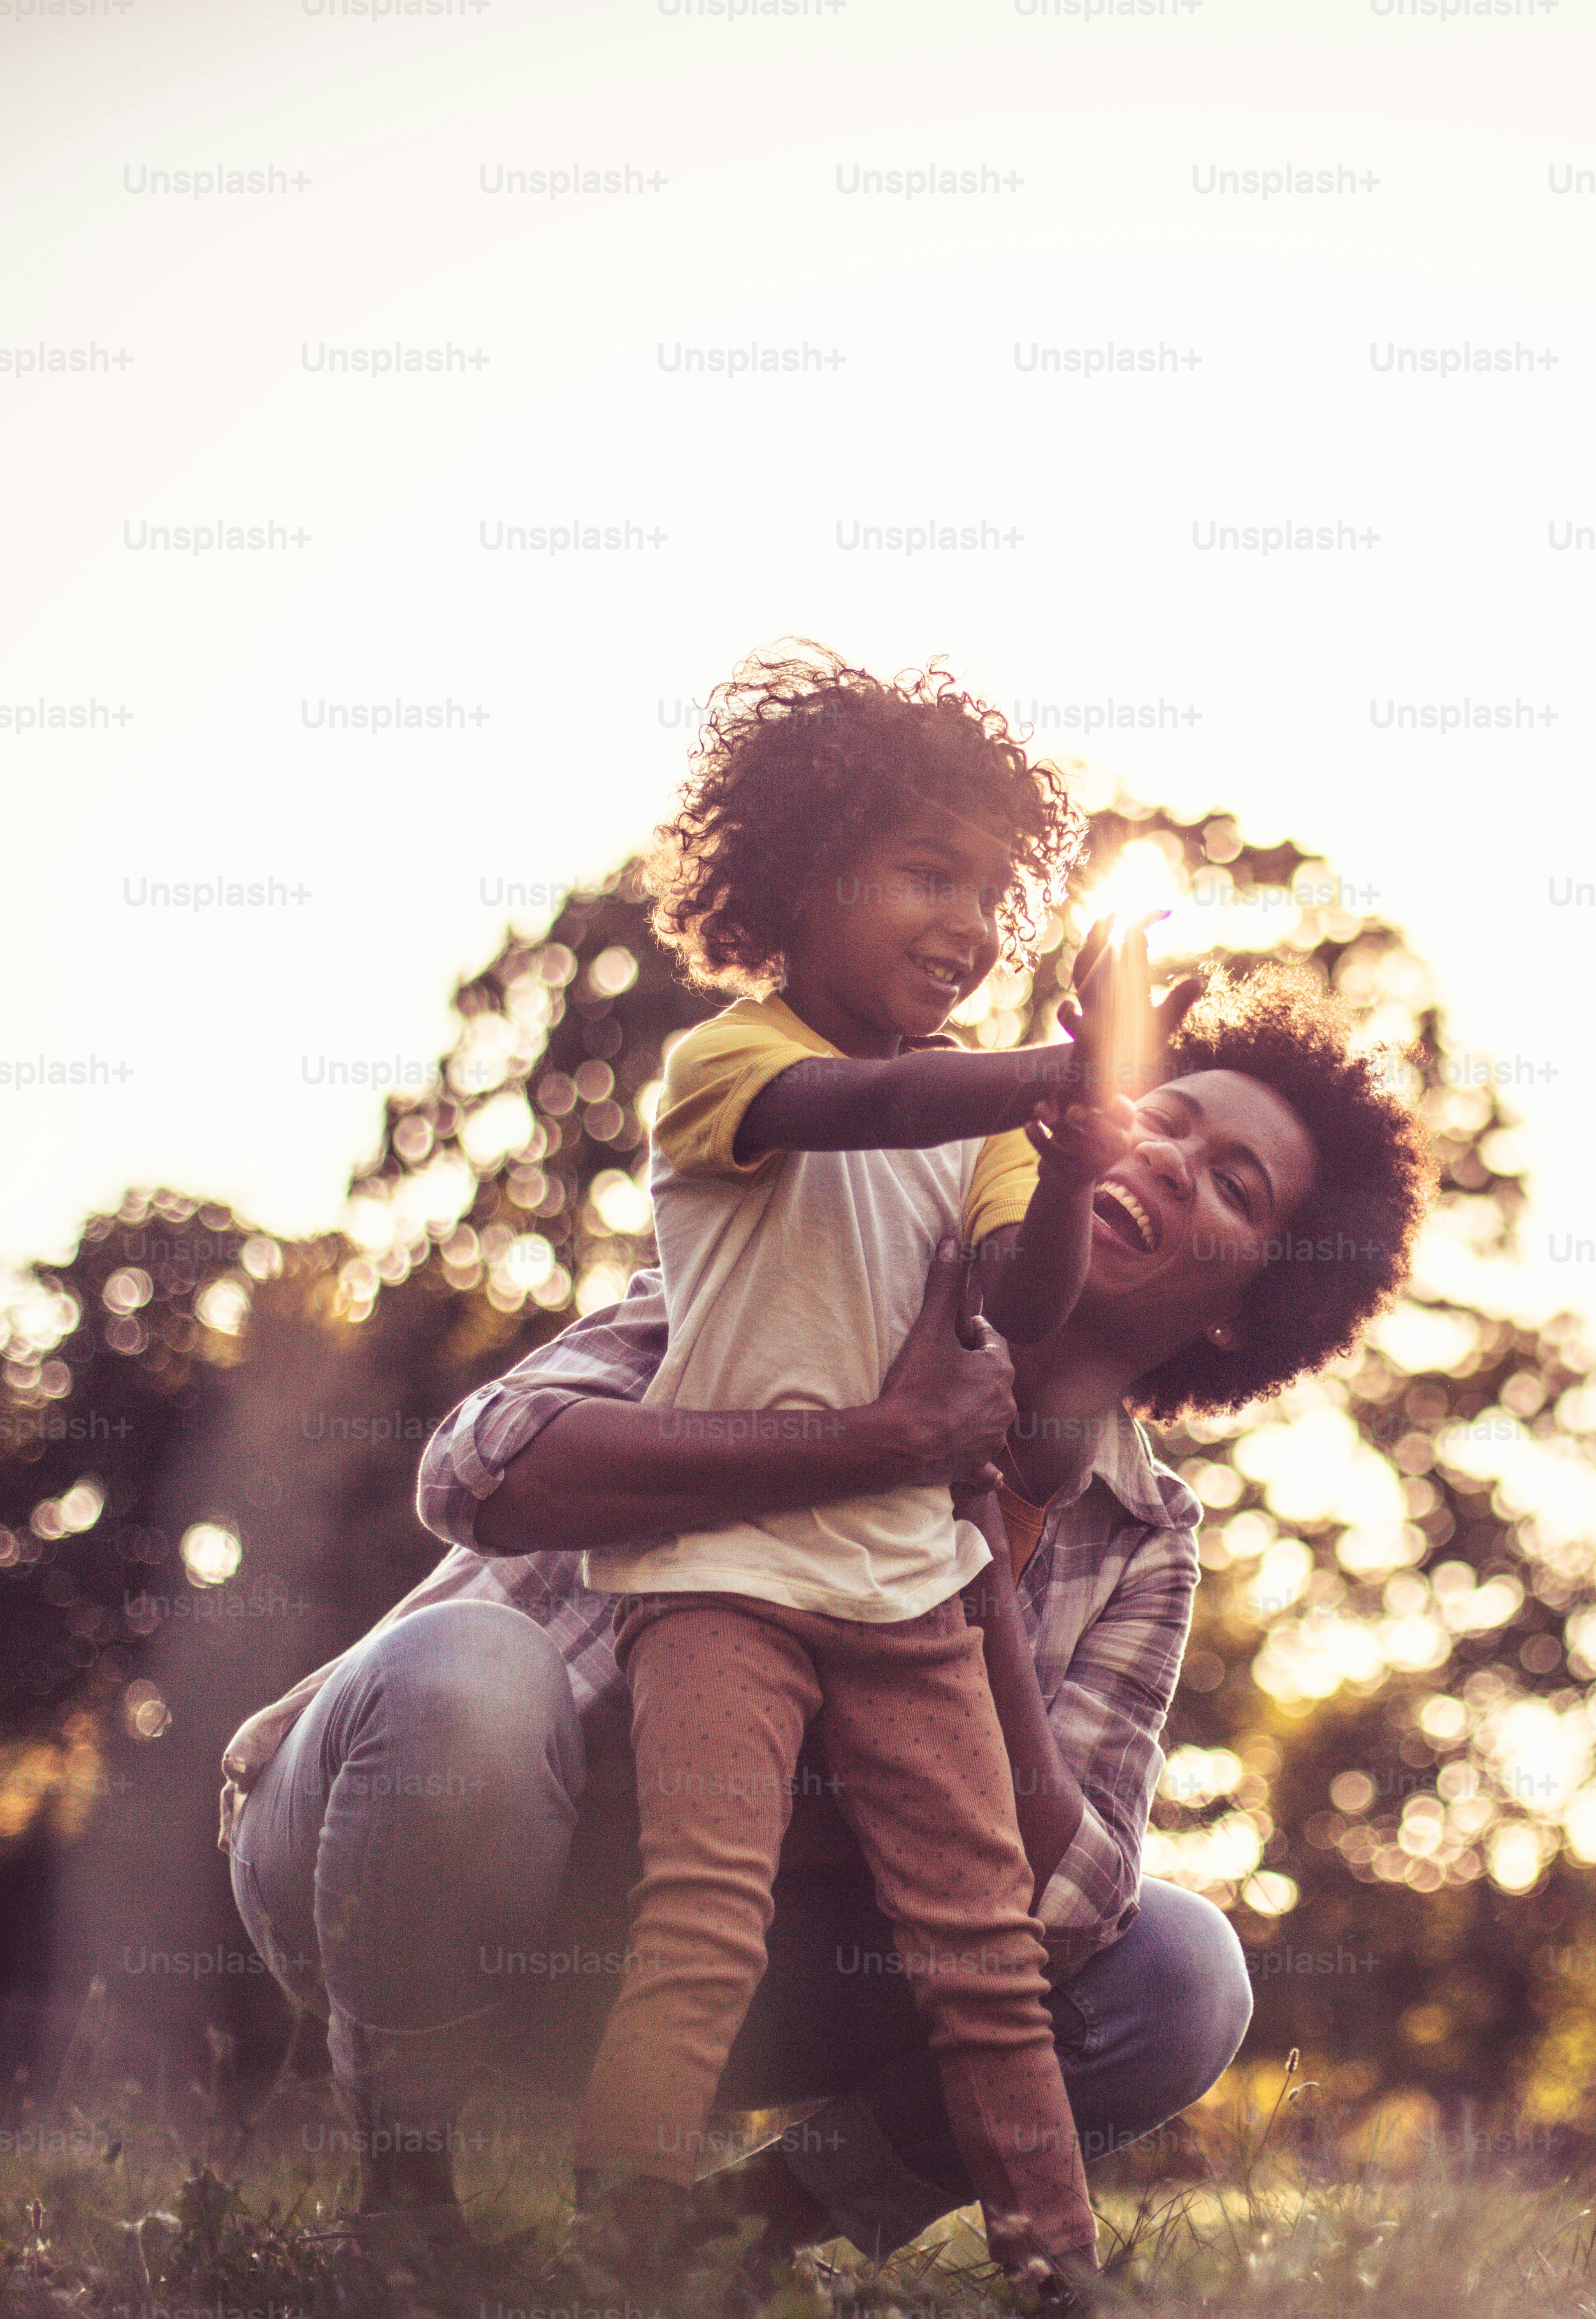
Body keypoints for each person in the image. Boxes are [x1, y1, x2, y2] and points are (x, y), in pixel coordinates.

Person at [219, 969, 1429, 2292]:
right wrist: (873, 1442)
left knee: (1183, 1974)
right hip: (408, 1856)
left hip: (713, 1960)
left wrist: (976, 1579)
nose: (1167, 1155)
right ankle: (403, 2197)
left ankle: (730, 2233)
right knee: (466, 1678)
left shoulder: (1139, 1536)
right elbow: (477, 1467)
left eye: (1234, 1185)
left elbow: (1077, 1909)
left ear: (1239, 1309)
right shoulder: (819, 1263)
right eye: (1164, 1113)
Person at [571, 646, 1168, 2300]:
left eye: (993, 889)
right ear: (802, 876)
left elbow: (1023, 1304)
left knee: (982, 1950)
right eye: (927, 873)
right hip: (719, 1576)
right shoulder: (728, 1064)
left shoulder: (986, 1115)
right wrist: (1055, 1071)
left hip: (907, 1584)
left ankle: (1056, 2263)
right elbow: (858, 1103)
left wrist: (1068, 1166)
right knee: (700, 1916)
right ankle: (616, 2245)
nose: (970, 922)